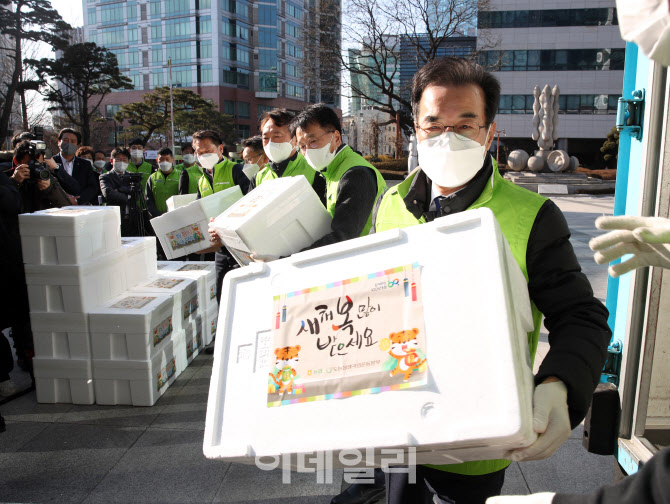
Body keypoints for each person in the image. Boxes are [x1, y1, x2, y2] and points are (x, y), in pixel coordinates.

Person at [330, 58, 611, 504]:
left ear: (489, 133)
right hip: (392, 423)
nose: (447, 138)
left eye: (465, 125)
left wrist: (560, 385)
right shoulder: (390, 203)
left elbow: (581, 314)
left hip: (475, 436)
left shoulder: (532, 216)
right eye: (434, 124)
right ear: (416, 131)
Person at [0, 140, 70, 377]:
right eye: (30, 164)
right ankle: (25, 354)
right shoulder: (7, 180)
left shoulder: (48, 176)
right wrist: (15, 183)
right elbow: (9, 209)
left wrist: (48, 185)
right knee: (22, 309)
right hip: (17, 251)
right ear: (18, 163)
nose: (36, 167)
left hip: (49, 249)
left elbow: (66, 205)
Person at [291, 103, 386, 250]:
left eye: (313, 141)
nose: (307, 151)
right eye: (302, 146)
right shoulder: (332, 171)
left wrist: (291, 258)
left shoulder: (355, 173)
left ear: (336, 138)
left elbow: (343, 238)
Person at [193, 129, 249, 304]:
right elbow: (200, 211)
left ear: (220, 149)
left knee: (244, 294)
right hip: (220, 248)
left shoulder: (236, 170)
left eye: (208, 151)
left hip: (242, 245)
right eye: (199, 152)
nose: (203, 155)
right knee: (222, 295)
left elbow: (250, 202)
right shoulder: (201, 180)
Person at [252, 108, 326, 206]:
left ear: (295, 139)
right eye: (265, 138)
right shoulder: (258, 178)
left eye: (277, 136)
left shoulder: (315, 171)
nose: (270, 143)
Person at [100, 147, 145, 236]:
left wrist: (119, 190)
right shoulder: (105, 177)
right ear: (112, 161)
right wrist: (128, 196)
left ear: (128, 162)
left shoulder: (132, 176)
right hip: (114, 218)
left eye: (124, 160)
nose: (121, 162)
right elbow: (109, 194)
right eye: (118, 159)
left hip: (132, 219)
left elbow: (138, 194)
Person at [52, 128, 99, 205]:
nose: (69, 143)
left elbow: (92, 187)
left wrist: (77, 200)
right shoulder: (51, 162)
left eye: (73, 141)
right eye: (66, 140)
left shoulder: (85, 164)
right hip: (56, 206)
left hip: (79, 207)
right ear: (59, 142)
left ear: (77, 146)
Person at [146, 147, 180, 219]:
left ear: (172, 160)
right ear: (157, 160)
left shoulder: (180, 175)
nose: (164, 162)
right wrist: (158, 215)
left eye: (167, 159)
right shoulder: (152, 178)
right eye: (161, 159)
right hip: (158, 218)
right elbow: (148, 199)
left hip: (176, 216)